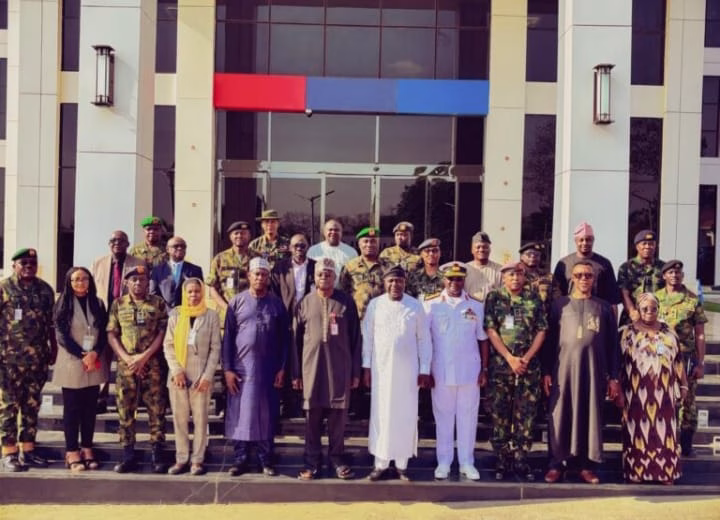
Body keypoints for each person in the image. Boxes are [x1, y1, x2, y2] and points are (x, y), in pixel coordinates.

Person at [542, 260, 621, 484]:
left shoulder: (603, 307)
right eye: (579, 275)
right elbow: (549, 341)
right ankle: (556, 464)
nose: (584, 279)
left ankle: (587, 466)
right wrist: (546, 371)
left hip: (594, 371)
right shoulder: (559, 305)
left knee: (590, 416)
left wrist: (614, 377)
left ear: (594, 279)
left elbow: (613, 345)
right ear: (572, 279)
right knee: (560, 415)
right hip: (563, 371)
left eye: (588, 275)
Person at [293, 257, 361, 480]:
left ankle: (337, 460)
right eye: (320, 274)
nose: (324, 277)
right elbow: (295, 342)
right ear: (314, 277)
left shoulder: (345, 302)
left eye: (329, 274)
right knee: (312, 417)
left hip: (339, 370)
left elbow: (356, 339)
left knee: (337, 418)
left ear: (335, 277)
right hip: (311, 370)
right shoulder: (304, 303)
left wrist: (355, 372)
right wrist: (296, 373)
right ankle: (311, 463)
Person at [362, 265, 432, 482]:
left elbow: (424, 339)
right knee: (381, 414)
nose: (395, 285)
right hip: (381, 371)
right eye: (391, 281)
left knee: (405, 415)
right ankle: (381, 463)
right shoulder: (375, 305)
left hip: (408, 373)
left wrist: (424, 369)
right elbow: (368, 338)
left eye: (399, 281)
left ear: (405, 282)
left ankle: (402, 465)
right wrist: (366, 367)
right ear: (384, 283)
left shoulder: (415, 306)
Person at [223, 258, 289, 477]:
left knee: (266, 414)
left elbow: (285, 340)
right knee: (240, 414)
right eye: (256, 274)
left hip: (268, 370)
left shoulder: (276, 304)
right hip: (241, 370)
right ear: (248, 276)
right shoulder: (236, 302)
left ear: (268, 278)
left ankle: (266, 460)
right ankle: (240, 459)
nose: (260, 278)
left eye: (264, 274)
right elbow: (228, 338)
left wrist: (282, 368)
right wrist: (228, 370)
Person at [424, 262, 489, 481]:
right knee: (443, 417)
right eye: (450, 279)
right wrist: (426, 369)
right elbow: (424, 339)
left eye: (459, 279)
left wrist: (484, 369)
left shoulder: (476, 305)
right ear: (444, 280)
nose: (454, 283)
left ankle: (466, 462)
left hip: (469, 371)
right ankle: (444, 461)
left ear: (464, 280)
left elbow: (482, 339)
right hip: (441, 371)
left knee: (468, 418)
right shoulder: (431, 304)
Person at [484, 261, 547, 481]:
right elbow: (490, 329)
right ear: (503, 277)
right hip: (501, 366)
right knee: (500, 412)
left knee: (526, 413)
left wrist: (525, 359)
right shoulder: (494, 297)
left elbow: (541, 330)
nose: (515, 278)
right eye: (511, 275)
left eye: (519, 274)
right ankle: (502, 458)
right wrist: (510, 358)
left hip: (528, 366)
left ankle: (521, 457)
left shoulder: (534, 298)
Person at [619, 292, 687, 484]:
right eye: (645, 308)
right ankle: (637, 473)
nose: (650, 312)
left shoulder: (669, 332)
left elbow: (678, 361)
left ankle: (666, 473)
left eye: (654, 308)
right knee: (636, 432)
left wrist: (683, 384)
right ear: (638, 309)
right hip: (635, 393)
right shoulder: (627, 332)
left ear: (659, 309)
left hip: (664, 393)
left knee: (665, 432)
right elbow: (618, 363)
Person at [107, 265, 169, 473]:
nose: (138, 283)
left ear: (147, 282)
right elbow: (112, 334)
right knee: (125, 411)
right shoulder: (118, 304)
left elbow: (162, 333)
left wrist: (144, 357)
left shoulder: (158, 303)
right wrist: (129, 359)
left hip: (152, 365)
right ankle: (128, 455)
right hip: (127, 367)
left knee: (157, 411)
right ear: (126, 282)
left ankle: (157, 455)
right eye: (133, 279)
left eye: (142, 280)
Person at [0, 248, 57, 472]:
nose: (28, 267)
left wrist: (53, 348)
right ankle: (9, 452)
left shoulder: (45, 290)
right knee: (9, 406)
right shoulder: (4, 288)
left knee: (32, 405)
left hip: (37, 359)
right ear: (14, 265)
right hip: (8, 360)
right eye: (23, 263)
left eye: (32, 263)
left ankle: (29, 449)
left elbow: (50, 324)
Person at [52, 267, 108, 472]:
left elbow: (104, 332)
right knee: (72, 409)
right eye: (76, 279)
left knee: (89, 409)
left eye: (84, 279)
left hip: (94, 361)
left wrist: (95, 353)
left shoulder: (98, 303)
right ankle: (72, 452)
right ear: (69, 282)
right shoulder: (63, 303)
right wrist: (83, 355)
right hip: (72, 361)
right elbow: (61, 336)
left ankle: (87, 448)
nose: (80, 282)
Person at [163, 278, 221, 476]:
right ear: (184, 293)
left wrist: (207, 376)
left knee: (200, 420)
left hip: (201, 377)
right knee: (179, 420)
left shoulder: (211, 316)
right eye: (190, 292)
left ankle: (197, 460)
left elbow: (215, 348)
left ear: (202, 293)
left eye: (197, 291)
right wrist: (176, 371)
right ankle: (181, 459)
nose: (194, 295)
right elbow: (168, 345)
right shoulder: (176, 315)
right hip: (178, 376)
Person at [655, 260, 708, 456]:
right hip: (661, 357)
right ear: (664, 276)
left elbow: (700, 334)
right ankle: (662, 443)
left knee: (688, 403)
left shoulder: (692, 300)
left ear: (682, 276)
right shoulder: (656, 298)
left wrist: (700, 363)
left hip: (686, 357)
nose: (674, 275)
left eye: (678, 273)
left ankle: (686, 446)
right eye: (670, 272)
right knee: (661, 399)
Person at [91, 230, 145, 413]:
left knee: (129, 357)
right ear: (109, 243)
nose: (117, 243)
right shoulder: (98, 263)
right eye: (113, 240)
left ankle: (131, 399)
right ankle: (101, 397)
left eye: (121, 241)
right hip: (104, 318)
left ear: (127, 244)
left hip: (129, 319)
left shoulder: (138, 263)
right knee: (103, 358)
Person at [270, 233, 316, 418]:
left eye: (302, 245)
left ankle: (307, 402)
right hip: (286, 319)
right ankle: (289, 404)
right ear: (289, 248)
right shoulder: (280, 268)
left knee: (306, 358)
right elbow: (273, 293)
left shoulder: (315, 266)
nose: (299, 249)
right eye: (296, 245)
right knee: (287, 359)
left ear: (308, 247)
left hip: (309, 319)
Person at [552, 221, 622, 316]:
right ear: (575, 241)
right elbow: (557, 296)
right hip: (570, 315)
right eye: (581, 240)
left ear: (593, 240)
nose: (585, 243)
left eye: (588, 240)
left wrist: (613, 323)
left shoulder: (604, 264)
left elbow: (612, 299)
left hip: (597, 314)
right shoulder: (564, 264)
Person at [339, 227, 390, 321]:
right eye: (365, 241)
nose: (369, 245)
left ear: (378, 244)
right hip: (358, 318)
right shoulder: (349, 266)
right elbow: (343, 293)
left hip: (383, 317)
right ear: (359, 244)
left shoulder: (389, 266)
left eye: (373, 241)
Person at [617, 229, 665, 325]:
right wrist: (632, 312)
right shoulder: (626, 267)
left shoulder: (663, 267)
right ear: (637, 246)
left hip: (656, 317)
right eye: (644, 243)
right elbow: (623, 293)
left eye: (651, 244)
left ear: (655, 246)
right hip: (632, 317)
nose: (647, 246)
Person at [206, 221, 255, 314]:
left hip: (251, 311)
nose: (239, 236)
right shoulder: (219, 259)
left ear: (249, 236)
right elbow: (212, 288)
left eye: (243, 233)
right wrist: (226, 308)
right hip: (226, 312)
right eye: (236, 233)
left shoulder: (257, 258)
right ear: (230, 236)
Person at [150, 236, 204, 308]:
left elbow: (200, 293)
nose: (180, 248)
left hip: (187, 311)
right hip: (165, 312)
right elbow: (153, 294)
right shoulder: (157, 270)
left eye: (183, 246)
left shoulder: (195, 270)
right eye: (176, 246)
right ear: (167, 249)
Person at [464, 231, 502, 302]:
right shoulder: (465, 269)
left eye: (485, 247)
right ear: (472, 250)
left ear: (490, 250)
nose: (481, 250)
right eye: (478, 247)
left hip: (491, 308)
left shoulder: (499, 270)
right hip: (469, 307)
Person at [519, 241, 553, 312]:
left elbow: (557, 298)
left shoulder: (548, 277)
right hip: (522, 316)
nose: (533, 257)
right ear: (521, 257)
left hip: (544, 316)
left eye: (536, 255)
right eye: (529, 254)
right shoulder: (515, 275)